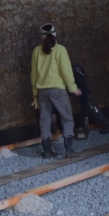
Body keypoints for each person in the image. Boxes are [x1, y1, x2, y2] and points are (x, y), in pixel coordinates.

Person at [31, 23, 81, 159]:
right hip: (57, 90)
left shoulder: (36, 51)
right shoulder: (60, 49)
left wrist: (35, 92)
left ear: (42, 36)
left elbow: (34, 74)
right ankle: (69, 150)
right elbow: (66, 71)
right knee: (67, 118)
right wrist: (73, 88)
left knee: (44, 119)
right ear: (55, 34)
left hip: (42, 91)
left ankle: (47, 152)